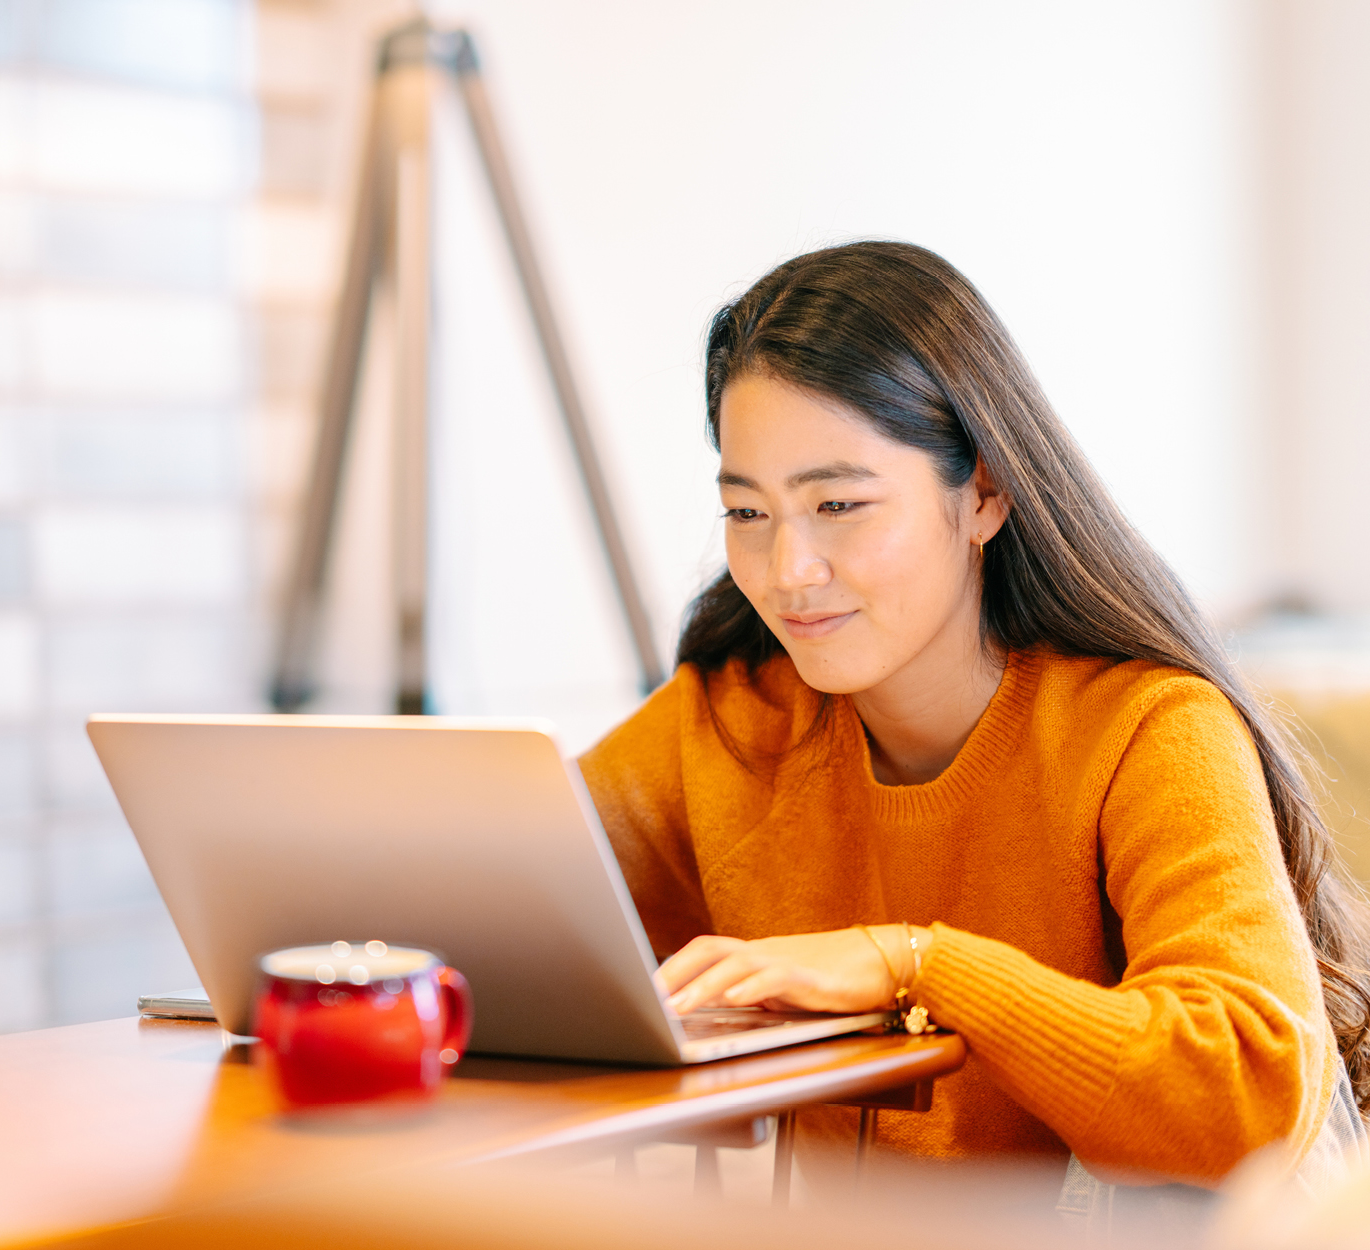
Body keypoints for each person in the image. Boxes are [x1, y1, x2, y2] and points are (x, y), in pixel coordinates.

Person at [577, 242, 1370, 1209]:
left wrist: (915, 962)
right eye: (747, 512)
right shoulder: (732, 723)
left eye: (838, 504)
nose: (788, 570)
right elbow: (504, 899)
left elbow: (1245, 1098)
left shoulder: (1150, 728)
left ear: (985, 493)